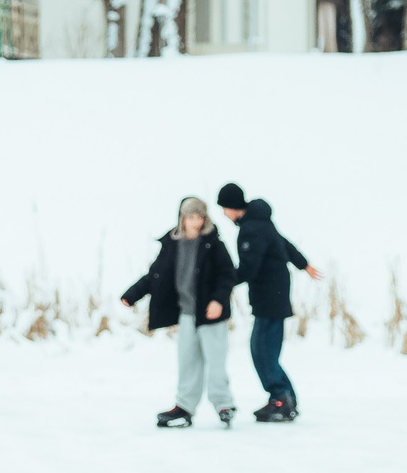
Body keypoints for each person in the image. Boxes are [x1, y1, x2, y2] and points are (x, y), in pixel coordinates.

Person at [121, 196, 240, 429]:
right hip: (186, 314)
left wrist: (218, 300)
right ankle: (184, 407)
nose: (196, 222)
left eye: (200, 217)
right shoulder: (172, 244)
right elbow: (155, 275)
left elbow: (228, 275)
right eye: (191, 217)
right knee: (187, 361)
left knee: (216, 362)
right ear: (182, 219)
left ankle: (224, 404)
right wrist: (133, 294)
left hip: (211, 314)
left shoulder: (214, 244)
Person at [216, 182, 321, 423]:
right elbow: (284, 243)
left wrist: (222, 282)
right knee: (264, 350)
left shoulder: (251, 228)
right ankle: (283, 398)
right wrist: (303, 264)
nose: (224, 214)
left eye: (224, 208)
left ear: (232, 206)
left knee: (261, 351)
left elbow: (248, 269)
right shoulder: (261, 222)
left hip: (269, 297)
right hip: (274, 295)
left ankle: (281, 399)